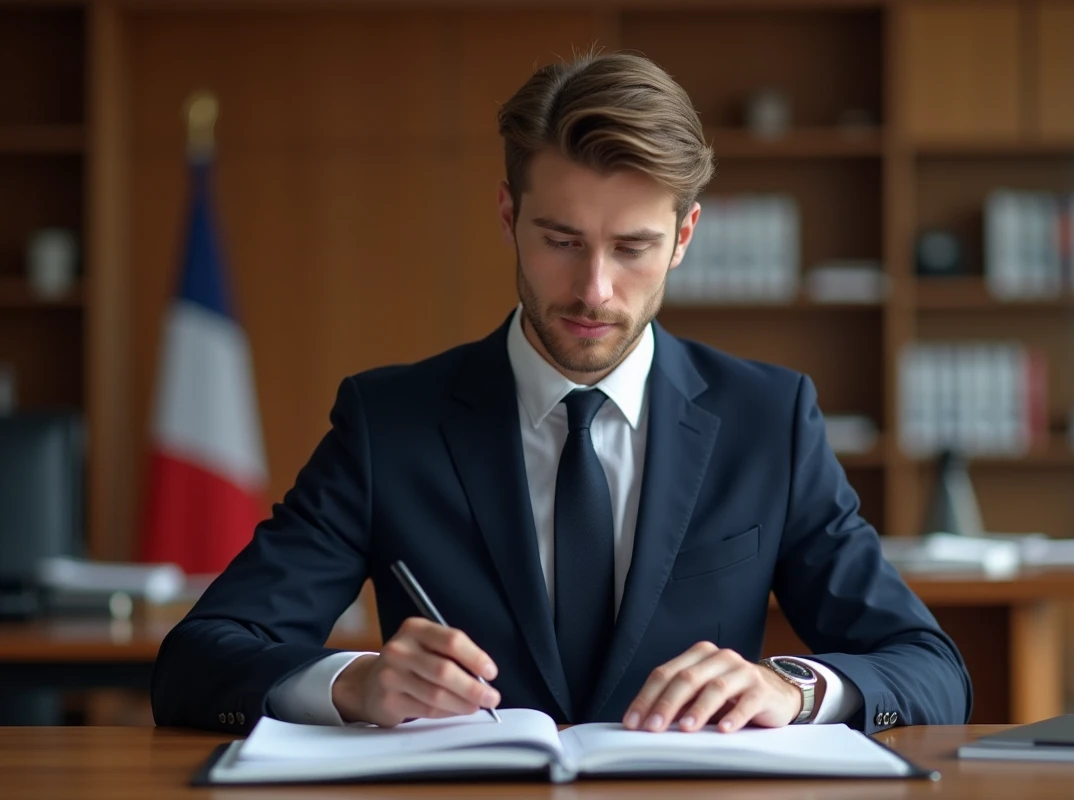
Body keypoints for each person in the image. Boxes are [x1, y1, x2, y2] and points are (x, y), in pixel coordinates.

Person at [151, 52, 972, 735]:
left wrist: (792, 688)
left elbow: (929, 667)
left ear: (684, 237)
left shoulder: (769, 421)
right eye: (562, 241)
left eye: (633, 247)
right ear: (509, 216)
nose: (595, 290)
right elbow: (197, 659)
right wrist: (351, 682)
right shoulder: (388, 423)